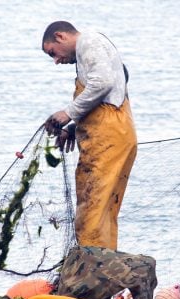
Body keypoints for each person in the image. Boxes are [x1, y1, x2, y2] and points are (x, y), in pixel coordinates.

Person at [41, 21, 137, 250]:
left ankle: (92, 272)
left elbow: (102, 83)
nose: (56, 60)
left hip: (109, 138)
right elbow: (113, 84)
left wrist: (69, 113)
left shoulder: (90, 42)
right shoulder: (93, 47)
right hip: (113, 134)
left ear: (60, 36)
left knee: (92, 210)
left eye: (52, 52)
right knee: (103, 210)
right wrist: (75, 128)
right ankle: (105, 267)